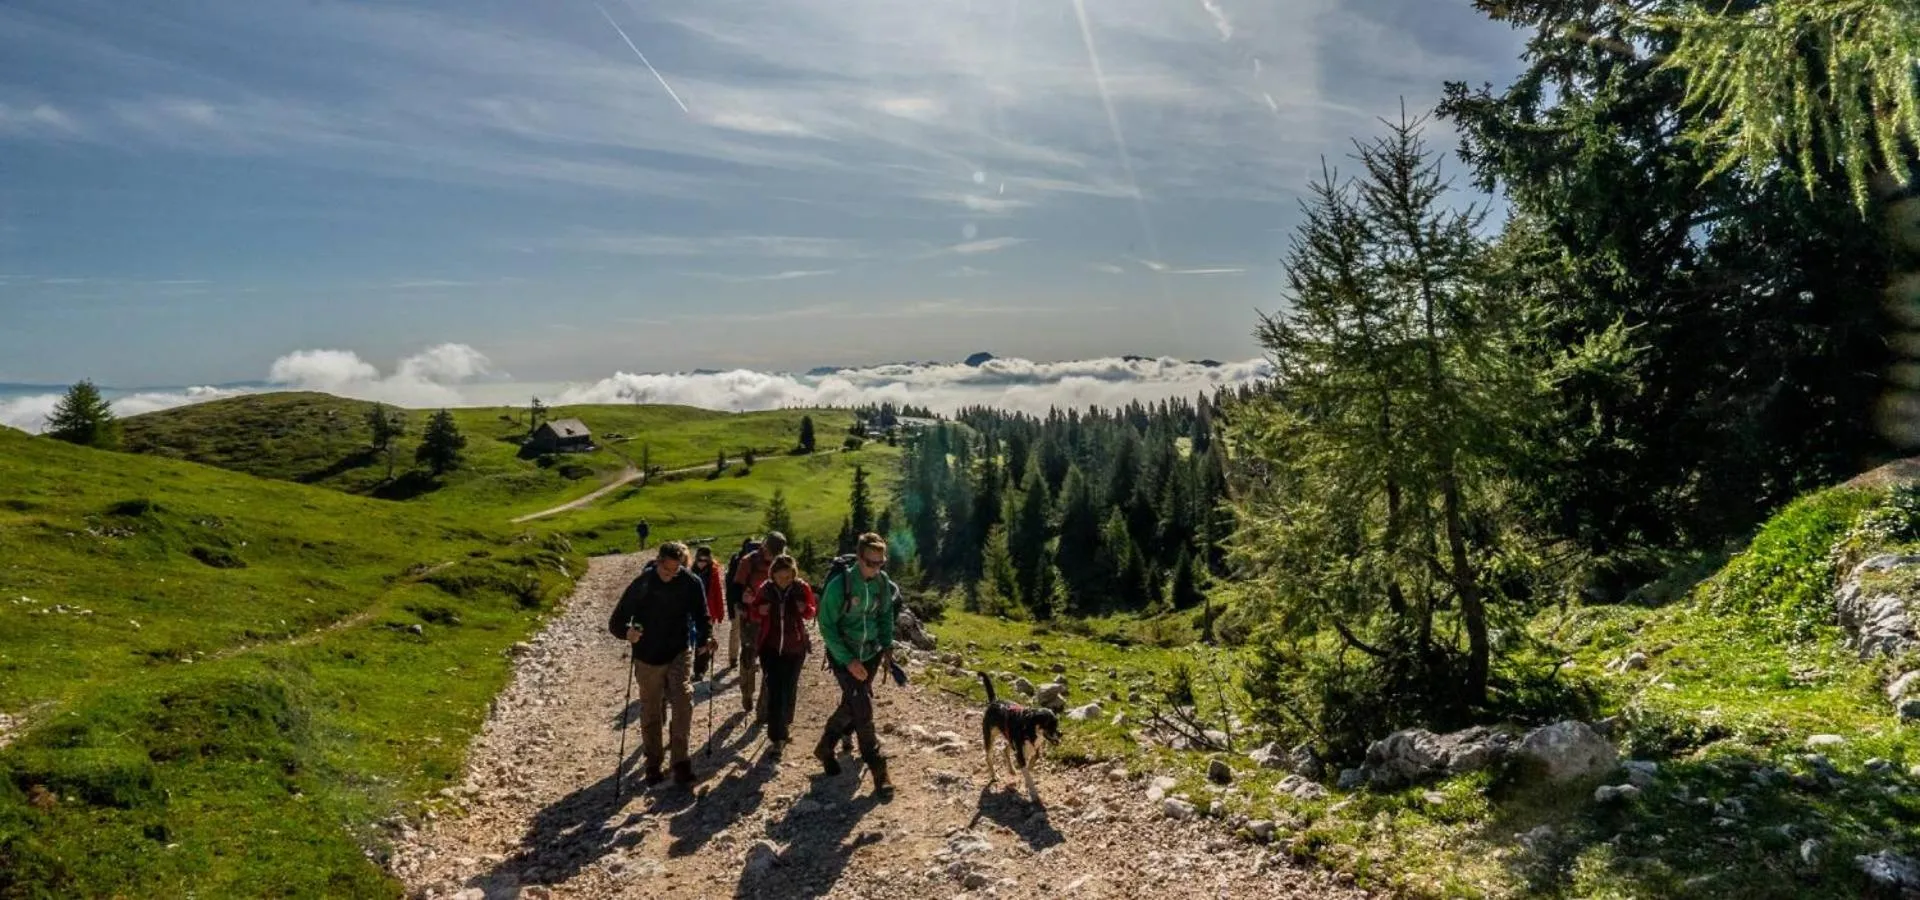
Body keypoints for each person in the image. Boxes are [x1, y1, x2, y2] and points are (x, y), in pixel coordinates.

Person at [606, 541, 714, 786]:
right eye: (666, 570)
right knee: (651, 708)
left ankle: (680, 762)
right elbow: (616, 622)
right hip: (647, 654)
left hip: (678, 649)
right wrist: (627, 633)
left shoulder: (690, 583)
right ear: (657, 562)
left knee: (683, 701)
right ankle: (653, 763)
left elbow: (702, 616)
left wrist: (706, 638)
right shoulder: (642, 584)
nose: (670, 575)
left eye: (676, 570)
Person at [813, 532, 897, 793]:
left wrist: (887, 645)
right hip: (843, 656)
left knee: (851, 704)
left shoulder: (882, 583)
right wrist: (848, 661)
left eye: (881, 563)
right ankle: (878, 767)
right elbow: (826, 626)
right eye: (871, 563)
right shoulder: (840, 586)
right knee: (862, 708)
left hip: (870, 654)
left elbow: (884, 616)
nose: (876, 568)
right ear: (859, 558)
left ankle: (825, 747)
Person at [746, 554, 816, 754]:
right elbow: (753, 612)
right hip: (770, 649)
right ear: (773, 575)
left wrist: (806, 609)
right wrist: (760, 609)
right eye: (781, 577)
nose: (785, 581)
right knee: (776, 690)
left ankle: (784, 726)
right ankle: (777, 737)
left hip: (795, 649)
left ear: (794, 575)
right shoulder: (765, 589)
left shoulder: (801, 588)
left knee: (789, 688)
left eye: (788, 577)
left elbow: (811, 611)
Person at [729, 531, 786, 722]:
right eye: (771, 553)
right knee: (748, 657)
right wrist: (742, 602)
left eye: (776, 554)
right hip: (750, 619)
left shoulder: (784, 563)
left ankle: (764, 709)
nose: (772, 558)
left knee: (771, 663)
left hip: (774, 620)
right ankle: (747, 691)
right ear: (764, 547)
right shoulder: (748, 561)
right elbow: (735, 588)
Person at [688, 545, 726, 682]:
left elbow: (718, 592)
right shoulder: (690, 571)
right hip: (692, 611)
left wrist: (720, 612)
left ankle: (699, 670)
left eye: (705, 559)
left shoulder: (714, 572)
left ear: (710, 559)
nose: (702, 562)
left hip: (708, 612)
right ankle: (687, 668)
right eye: (700, 559)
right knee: (691, 640)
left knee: (703, 641)